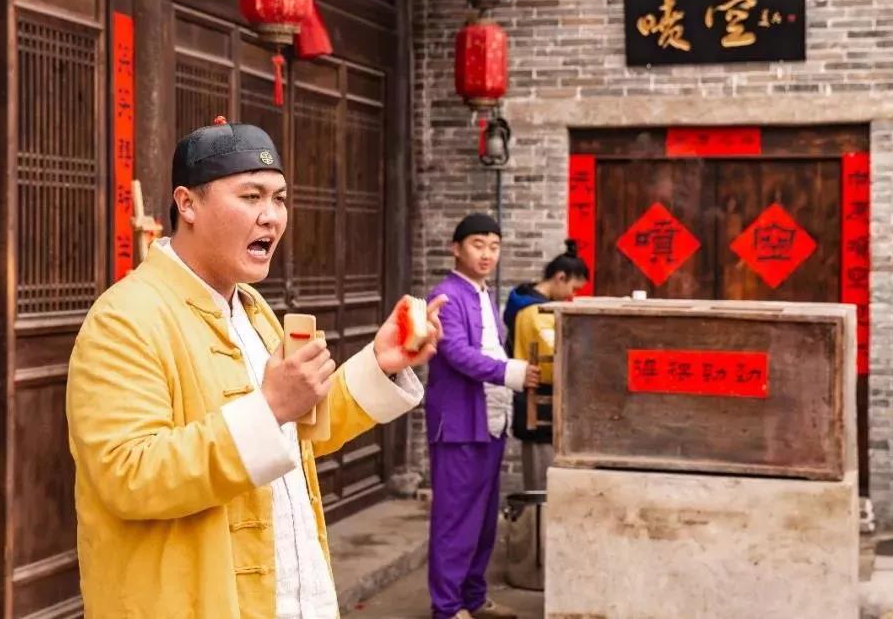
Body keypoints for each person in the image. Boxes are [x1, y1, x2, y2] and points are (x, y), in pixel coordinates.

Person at [65, 117, 445, 618]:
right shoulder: (125, 318)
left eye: (279, 198)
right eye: (251, 197)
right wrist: (268, 411)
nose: (271, 217)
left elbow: (297, 433)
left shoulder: (252, 309)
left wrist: (379, 363)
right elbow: (129, 475)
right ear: (187, 204)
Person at [425, 213, 540, 619]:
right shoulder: (446, 296)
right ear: (456, 249)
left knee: (484, 518)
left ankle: (473, 597)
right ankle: (447, 607)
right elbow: (456, 353)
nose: (487, 254)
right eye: (478, 245)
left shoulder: (484, 293)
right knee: (455, 518)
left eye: (494, 246)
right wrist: (512, 373)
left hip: (491, 420)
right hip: (459, 424)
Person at [503, 239, 589, 491]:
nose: (573, 296)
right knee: (542, 486)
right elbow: (556, 358)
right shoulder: (535, 312)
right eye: (573, 288)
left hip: (535, 402)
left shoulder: (527, 302)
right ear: (560, 277)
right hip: (538, 402)